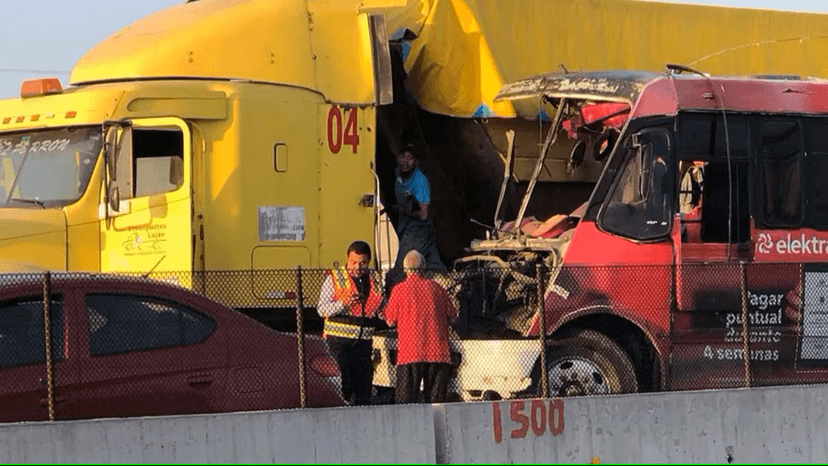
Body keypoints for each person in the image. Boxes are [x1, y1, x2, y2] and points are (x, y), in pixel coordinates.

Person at [384, 250, 458, 404]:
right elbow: (453, 315)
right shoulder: (437, 289)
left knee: (406, 403)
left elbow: (390, 320)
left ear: (405, 269)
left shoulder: (399, 290)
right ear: (424, 268)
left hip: (410, 353)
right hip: (437, 352)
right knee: (436, 402)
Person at [317, 240, 384, 405]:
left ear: (368, 262)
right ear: (347, 259)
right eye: (353, 262)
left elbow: (381, 305)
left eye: (362, 263)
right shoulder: (335, 278)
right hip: (339, 344)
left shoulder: (375, 278)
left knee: (363, 387)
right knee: (343, 384)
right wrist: (343, 303)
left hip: (363, 344)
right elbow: (321, 309)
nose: (357, 267)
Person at [387, 143, 444, 290]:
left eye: (410, 158)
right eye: (403, 157)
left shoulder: (420, 181)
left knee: (399, 271)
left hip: (418, 230)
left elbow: (424, 215)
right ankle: (448, 292)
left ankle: (391, 305)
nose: (406, 161)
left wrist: (401, 209)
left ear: (416, 161)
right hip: (409, 229)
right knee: (435, 268)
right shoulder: (397, 174)